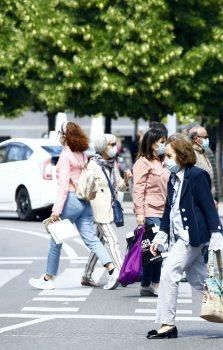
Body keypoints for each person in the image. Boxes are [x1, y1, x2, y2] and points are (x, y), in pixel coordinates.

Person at [146, 134, 223, 339]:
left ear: (181, 155)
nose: (165, 160)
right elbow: (169, 210)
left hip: (192, 237)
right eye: (165, 156)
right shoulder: (173, 178)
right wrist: (161, 234)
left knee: (169, 272)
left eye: (169, 156)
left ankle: (167, 324)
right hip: (180, 235)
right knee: (200, 280)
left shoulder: (197, 176)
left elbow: (208, 207)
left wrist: (216, 234)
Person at [28, 122, 120, 291]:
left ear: (65, 136)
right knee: (91, 239)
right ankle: (112, 270)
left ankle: (48, 278)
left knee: (56, 240)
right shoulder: (83, 154)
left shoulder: (65, 156)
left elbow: (63, 187)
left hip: (70, 200)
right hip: (84, 201)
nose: (59, 135)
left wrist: (55, 212)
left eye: (60, 133)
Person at [81, 134, 128, 287]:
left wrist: (126, 180)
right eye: (111, 144)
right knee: (112, 240)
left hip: (109, 208)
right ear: (102, 147)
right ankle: (121, 273)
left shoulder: (111, 164)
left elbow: (119, 186)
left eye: (115, 144)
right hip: (98, 209)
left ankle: (86, 275)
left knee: (99, 242)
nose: (115, 147)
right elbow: (85, 187)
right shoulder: (93, 165)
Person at [133, 128, 169, 297]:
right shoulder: (142, 163)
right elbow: (138, 189)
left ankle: (146, 283)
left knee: (152, 249)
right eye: (161, 142)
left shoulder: (163, 161)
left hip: (165, 209)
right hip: (150, 210)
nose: (164, 145)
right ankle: (155, 283)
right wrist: (140, 213)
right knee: (157, 248)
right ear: (152, 143)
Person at [188, 126, 217, 199]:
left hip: (208, 197)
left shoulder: (202, 152)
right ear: (195, 138)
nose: (207, 139)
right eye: (205, 137)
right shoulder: (192, 155)